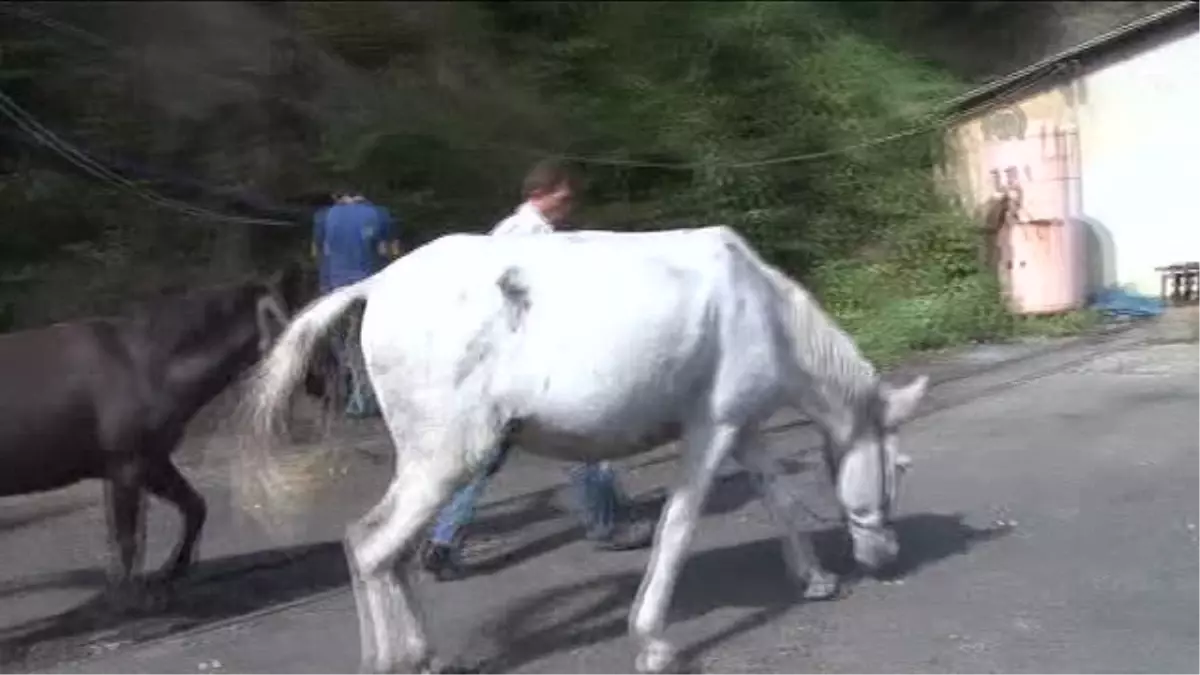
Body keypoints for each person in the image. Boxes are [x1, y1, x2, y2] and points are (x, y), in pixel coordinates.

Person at [420, 160, 654, 580]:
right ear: (541, 193)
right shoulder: (531, 239)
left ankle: (443, 539)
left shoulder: (508, 232)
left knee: (484, 457)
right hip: (529, 365)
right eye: (564, 196)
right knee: (586, 447)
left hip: (498, 368)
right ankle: (609, 525)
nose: (570, 204)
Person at [312, 190, 401, 418]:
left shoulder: (324, 216)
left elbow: (317, 252)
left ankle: (347, 392)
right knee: (363, 341)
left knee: (342, 343)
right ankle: (364, 399)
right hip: (368, 288)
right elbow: (389, 252)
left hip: (333, 291)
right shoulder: (379, 214)